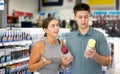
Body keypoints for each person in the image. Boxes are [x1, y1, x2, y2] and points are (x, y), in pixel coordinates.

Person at [65, 3, 110, 74]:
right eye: (80, 17)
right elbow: (65, 65)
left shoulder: (99, 36)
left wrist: (95, 56)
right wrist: (65, 62)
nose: (83, 20)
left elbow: (107, 62)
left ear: (89, 16)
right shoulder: (70, 38)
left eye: (86, 17)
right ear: (75, 17)